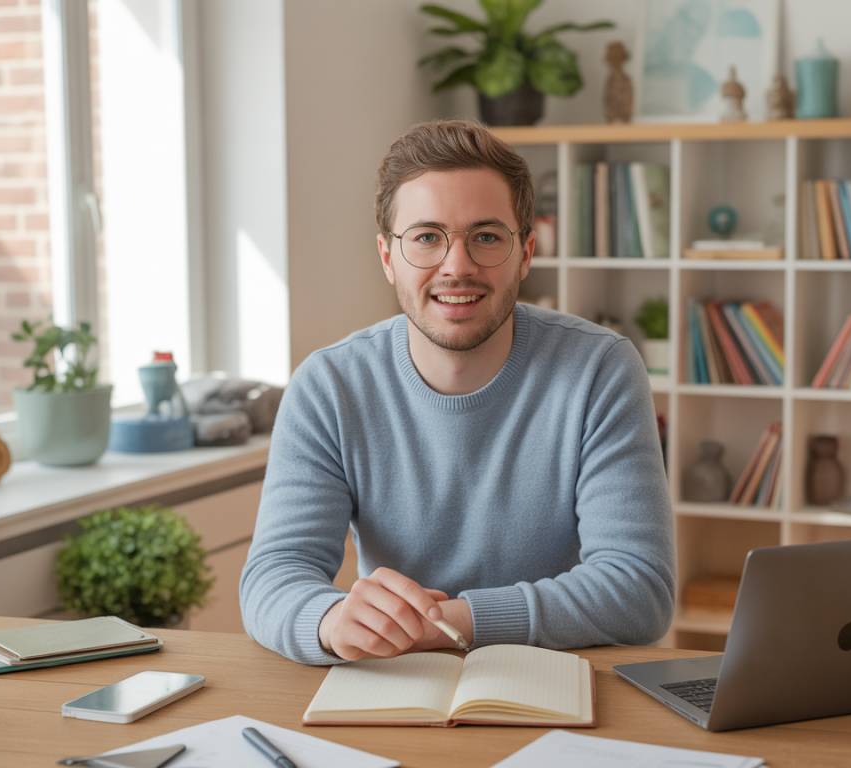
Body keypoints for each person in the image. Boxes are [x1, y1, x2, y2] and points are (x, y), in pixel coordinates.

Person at [240, 119, 674, 665]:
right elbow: (273, 575)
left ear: (526, 252)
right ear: (386, 257)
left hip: (557, 687)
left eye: (486, 237)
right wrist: (328, 620)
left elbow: (639, 589)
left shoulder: (600, 370)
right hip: (392, 689)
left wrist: (451, 623)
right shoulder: (328, 386)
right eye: (427, 238)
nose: (457, 266)